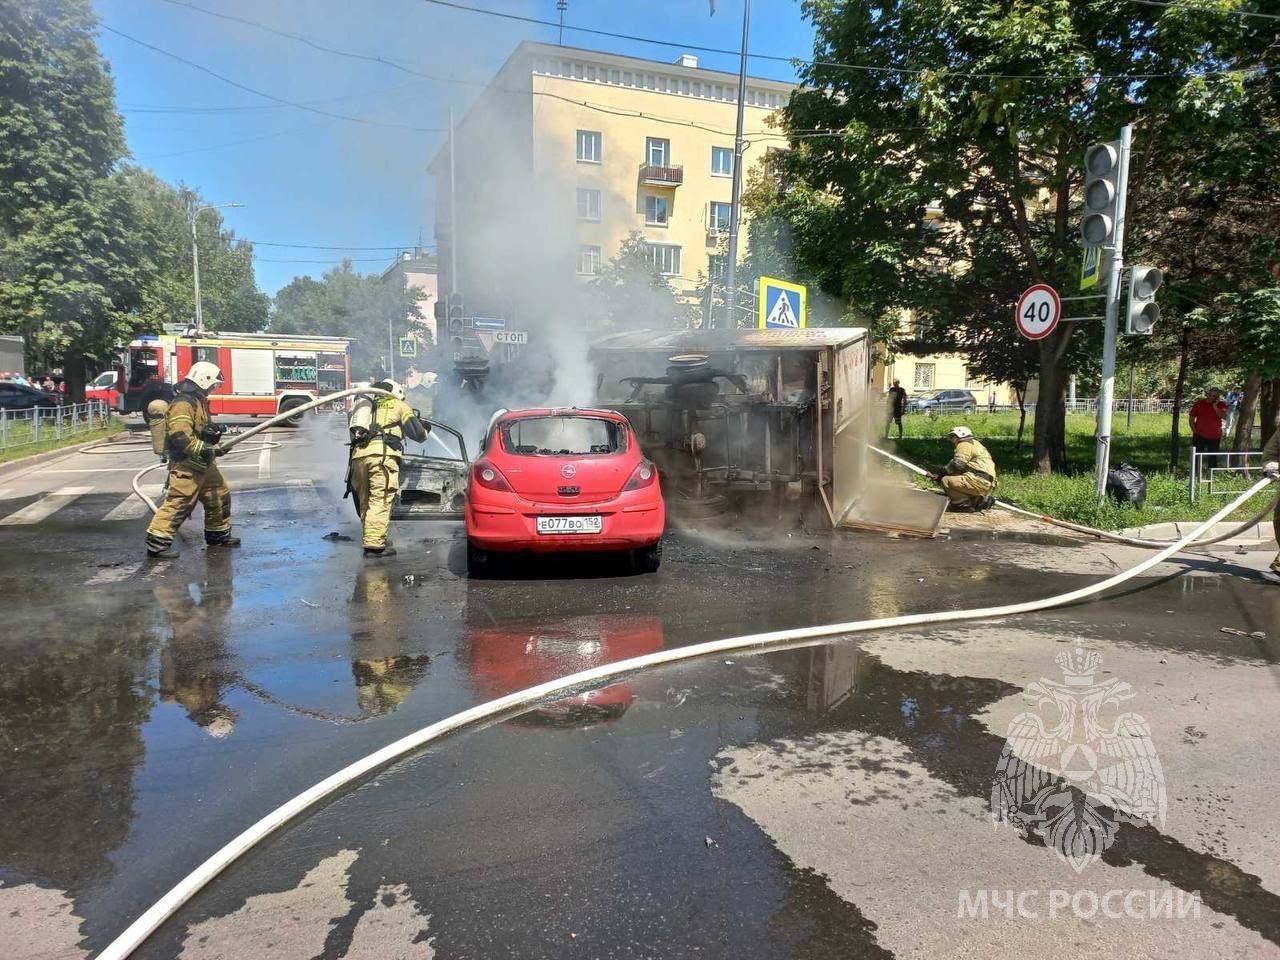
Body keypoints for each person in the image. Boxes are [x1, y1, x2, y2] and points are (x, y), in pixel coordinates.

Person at [144, 361, 238, 559]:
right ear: (204, 380)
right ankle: (157, 543)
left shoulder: (199, 401)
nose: (214, 388)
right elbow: (180, 436)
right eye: (213, 384)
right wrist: (205, 449)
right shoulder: (183, 403)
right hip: (187, 463)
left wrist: (212, 437)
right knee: (180, 501)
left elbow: (200, 430)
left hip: (202, 462)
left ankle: (218, 535)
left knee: (219, 495)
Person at [346, 379, 428, 559]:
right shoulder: (398, 405)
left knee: (366, 501)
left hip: (358, 458)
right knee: (380, 499)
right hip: (381, 457)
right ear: (396, 390)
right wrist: (425, 429)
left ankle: (372, 539)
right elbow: (418, 434)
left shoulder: (365, 406)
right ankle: (375, 548)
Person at [929, 425, 997, 512]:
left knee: (946, 480)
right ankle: (978, 501)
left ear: (960, 435)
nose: (952, 440)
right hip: (986, 481)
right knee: (956, 477)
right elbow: (962, 468)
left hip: (978, 480)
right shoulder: (975, 443)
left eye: (953, 436)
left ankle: (962, 505)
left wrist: (941, 474)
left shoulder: (964, 444)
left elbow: (957, 465)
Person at [1188, 387, 1228, 455]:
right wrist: (1194, 430)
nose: (1211, 397)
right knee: (1197, 457)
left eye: (1214, 396)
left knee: (1212, 457)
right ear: (1207, 394)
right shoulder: (1199, 403)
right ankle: (1196, 466)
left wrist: (1215, 407)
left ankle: (1211, 466)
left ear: (1218, 397)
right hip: (1199, 435)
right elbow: (1191, 417)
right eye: (1210, 395)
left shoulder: (1221, 404)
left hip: (1215, 436)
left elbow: (1224, 416)